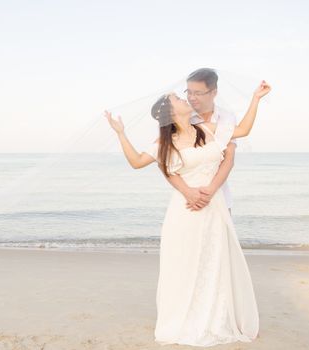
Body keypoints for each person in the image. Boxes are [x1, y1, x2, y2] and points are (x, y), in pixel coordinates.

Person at [104, 80, 271, 346]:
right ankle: (185, 319)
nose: (184, 100)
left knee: (214, 262)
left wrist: (256, 99)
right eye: (178, 99)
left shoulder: (205, 129)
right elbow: (137, 162)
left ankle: (216, 318)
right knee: (185, 264)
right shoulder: (163, 141)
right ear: (171, 112)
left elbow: (242, 130)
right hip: (185, 210)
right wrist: (121, 133)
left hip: (213, 206)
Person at [166, 68, 238, 214]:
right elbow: (165, 163)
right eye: (189, 92)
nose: (191, 98)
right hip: (188, 200)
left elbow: (228, 159)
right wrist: (187, 192)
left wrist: (211, 191)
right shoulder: (181, 116)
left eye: (198, 93)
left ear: (213, 92)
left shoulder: (226, 117)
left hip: (220, 196)